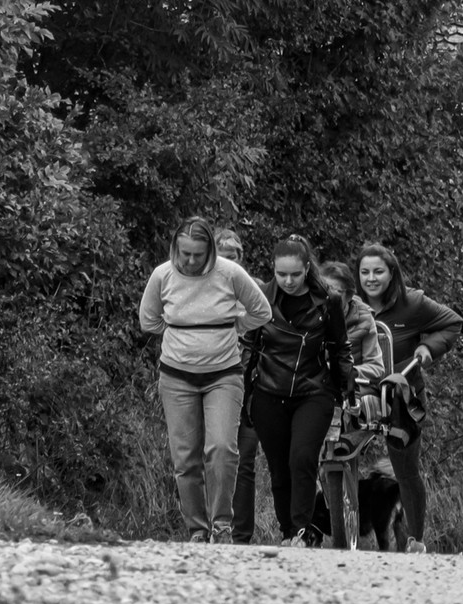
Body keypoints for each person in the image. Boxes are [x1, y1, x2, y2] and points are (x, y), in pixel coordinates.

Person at [139, 215, 270, 544]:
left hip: (223, 375)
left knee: (222, 448)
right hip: (176, 376)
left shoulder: (230, 273)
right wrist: (180, 336)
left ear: (210, 250)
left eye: (198, 254)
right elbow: (148, 320)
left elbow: (261, 311)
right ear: (175, 249)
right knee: (185, 456)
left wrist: (234, 328)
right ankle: (197, 530)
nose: (191, 261)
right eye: (185, 253)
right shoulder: (162, 275)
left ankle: (221, 524)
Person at [246, 234, 355, 549]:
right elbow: (249, 348)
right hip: (269, 390)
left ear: (308, 268)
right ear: (273, 270)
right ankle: (287, 532)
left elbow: (340, 346)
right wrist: (243, 392)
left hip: (313, 390)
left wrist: (346, 387)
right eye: (282, 274)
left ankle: (302, 531)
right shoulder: (261, 298)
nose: (288, 281)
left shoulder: (329, 301)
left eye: (295, 274)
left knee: (302, 458)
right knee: (279, 468)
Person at [357, 239, 463, 554]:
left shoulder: (412, 303)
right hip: (362, 387)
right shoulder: (350, 305)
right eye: (365, 272)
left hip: (402, 390)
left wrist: (427, 348)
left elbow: (452, 323)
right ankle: (340, 523)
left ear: (392, 273)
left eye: (378, 271)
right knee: (338, 453)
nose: (371, 278)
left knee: (405, 468)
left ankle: (416, 538)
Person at [213, 227, 262, 547]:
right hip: (214, 383)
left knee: (244, 460)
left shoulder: (255, 292)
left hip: (252, 387)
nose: (229, 264)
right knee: (212, 456)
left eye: (233, 257)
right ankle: (210, 528)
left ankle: (241, 535)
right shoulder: (202, 290)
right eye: (222, 257)